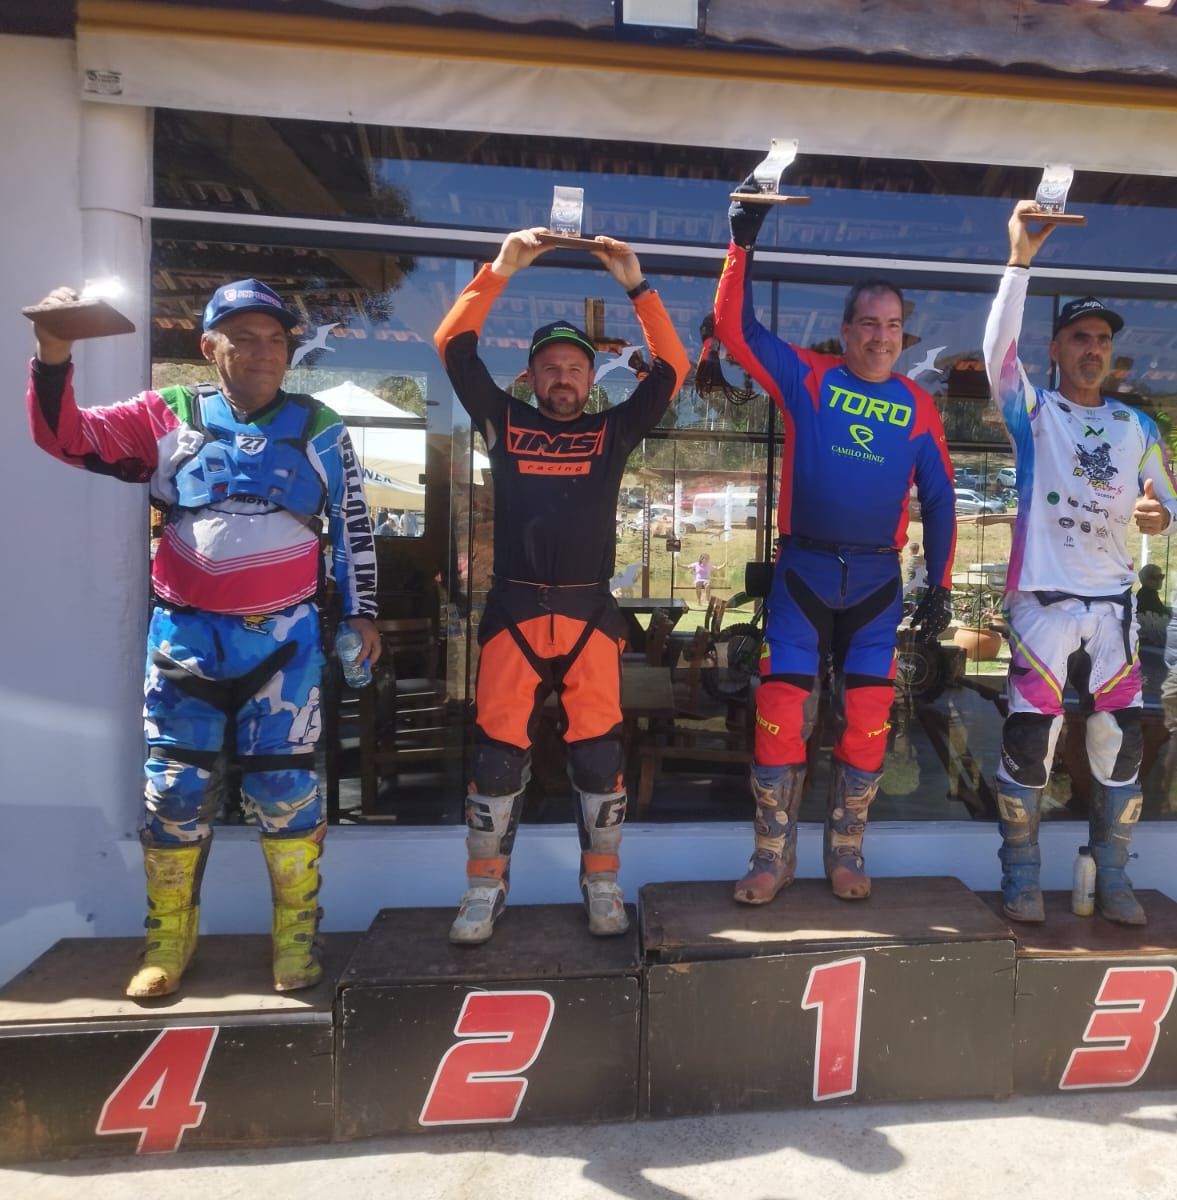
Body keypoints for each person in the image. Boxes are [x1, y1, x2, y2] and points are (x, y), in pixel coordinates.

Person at [26, 277, 381, 998]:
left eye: (276, 339)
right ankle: (168, 939)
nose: (263, 352)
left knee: (286, 791)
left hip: (282, 643)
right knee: (172, 792)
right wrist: (53, 351)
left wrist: (361, 612)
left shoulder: (319, 424)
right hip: (184, 639)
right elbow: (67, 438)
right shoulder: (169, 412)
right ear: (208, 347)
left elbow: (353, 523)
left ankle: (295, 938)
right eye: (244, 338)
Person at [434, 228, 688, 943]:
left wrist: (636, 284)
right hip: (514, 608)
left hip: (586, 612)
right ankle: (483, 888)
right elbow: (453, 345)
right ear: (530, 378)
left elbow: (672, 367)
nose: (564, 378)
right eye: (550, 368)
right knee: (496, 754)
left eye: (575, 367)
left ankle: (602, 884)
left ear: (591, 378)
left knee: (600, 752)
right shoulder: (502, 419)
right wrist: (501, 268)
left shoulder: (612, 432)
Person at [715, 179, 957, 905]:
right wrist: (742, 243)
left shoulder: (919, 406)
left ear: (903, 336)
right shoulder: (808, 377)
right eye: (868, 323)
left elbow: (940, 499)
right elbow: (734, 330)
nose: (881, 336)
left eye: (893, 325)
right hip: (804, 573)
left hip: (877, 583)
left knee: (869, 719)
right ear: (845, 330)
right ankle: (772, 856)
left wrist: (941, 584)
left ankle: (846, 851)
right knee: (780, 710)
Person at [981, 201, 1177, 926]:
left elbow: (1173, 501)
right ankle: (1020, 876)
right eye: (1080, 338)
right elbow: (996, 354)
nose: (1093, 349)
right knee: (1028, 738)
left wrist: (1163, 517)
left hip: (1112, 608)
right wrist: (1019, 262)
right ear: (1057, 350)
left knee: (1121, 740)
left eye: (1102, 340)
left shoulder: (1137, 425)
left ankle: (1115, 874)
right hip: (1042, 600)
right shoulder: (1033, 411)